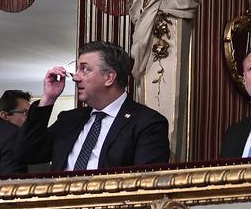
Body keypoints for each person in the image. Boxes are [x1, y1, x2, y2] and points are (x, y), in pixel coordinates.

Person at [23, 41, 169, 171]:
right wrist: (48, 98)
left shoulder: (147, 123)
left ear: (109, 77)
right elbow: (27, 153)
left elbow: (145, 181)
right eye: (77, 69)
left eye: (84, 69)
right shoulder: (69, 120)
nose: (75, 77)